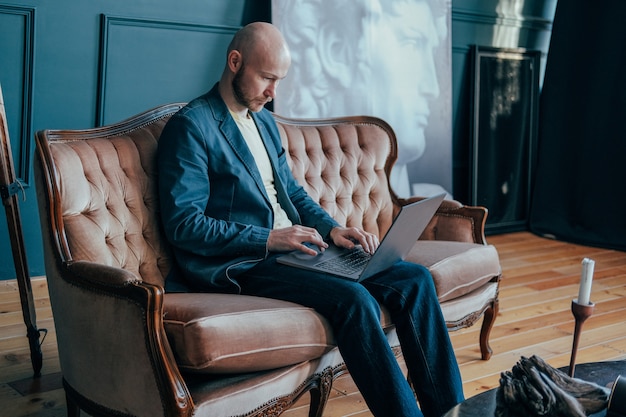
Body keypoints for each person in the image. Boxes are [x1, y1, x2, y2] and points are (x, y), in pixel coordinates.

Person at [157, 22, 464, 417]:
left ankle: (452, 411)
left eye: (279, 80)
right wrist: (270, 238)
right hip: (245, 263)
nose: (273, 92)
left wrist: (333, 229)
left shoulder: (264, 122)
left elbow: (294, 194)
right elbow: (185, 224)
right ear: (235, 62)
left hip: (299, 250)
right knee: (354, 300)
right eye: (267, 78)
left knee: (414, 279)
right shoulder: (192, 127)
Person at [273, 0, 450, 197]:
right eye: (412, 44)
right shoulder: (303, 185)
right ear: (336, 50)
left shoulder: (435, 203)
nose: (432, 88)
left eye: (432, 52)